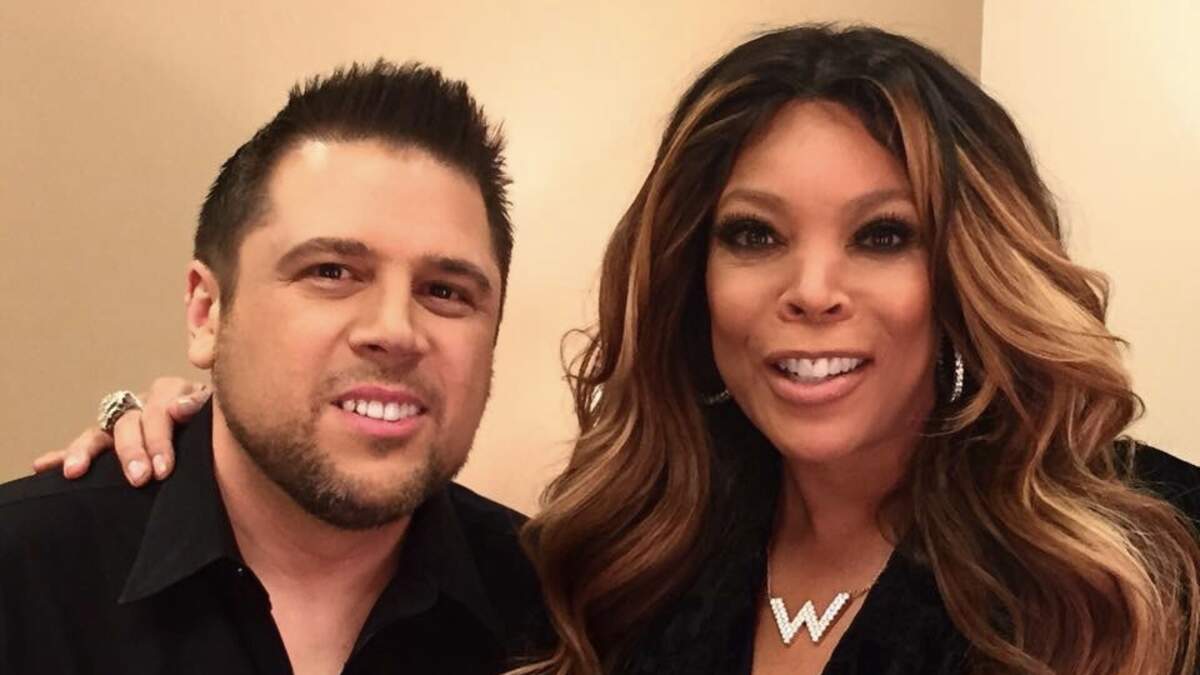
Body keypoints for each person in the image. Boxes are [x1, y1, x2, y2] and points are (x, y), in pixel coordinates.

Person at [38, 25, 1200, 675]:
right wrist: (191, 438)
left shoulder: (1150, 566)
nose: (811, 292)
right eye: (754, 236)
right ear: (695, 279)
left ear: (969, 270)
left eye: (884, 236)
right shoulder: (613, 574)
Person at [3, 61, 545, 674]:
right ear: (207, 314)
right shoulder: (23, 583)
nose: (395, 330)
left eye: (445, 291)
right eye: (331, 272)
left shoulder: (565, 616)